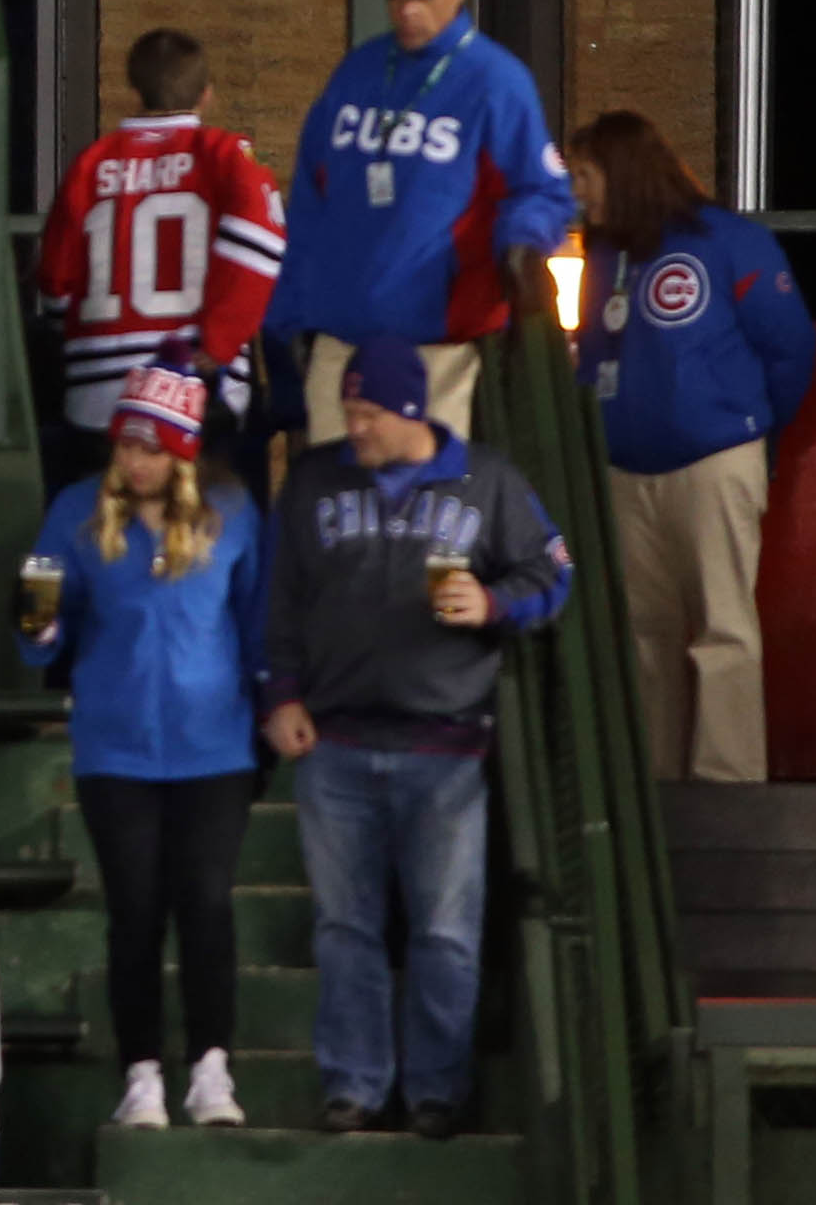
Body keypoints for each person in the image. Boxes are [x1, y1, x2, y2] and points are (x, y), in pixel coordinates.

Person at [263, 335, 570, 1137]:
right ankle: (354, 1087)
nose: (354, 426)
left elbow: (554, 573)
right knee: (344, 928)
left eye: (368, 414)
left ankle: (437, 1092)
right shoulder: (314, 479)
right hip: (335, 739)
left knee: (444, 930)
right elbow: (278, 600)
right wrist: (282, 695)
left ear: (410, 411)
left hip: (448, 742)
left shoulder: (488, 479)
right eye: (350, 410)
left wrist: (494, 604)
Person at [19, 367, 259, 1134]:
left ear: (184, 453)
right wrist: (38, 629)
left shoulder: (234, 512)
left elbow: (258, 621)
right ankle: (143, 1074)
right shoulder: (75, 512)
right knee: (135, 910)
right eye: (126, 444)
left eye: (151, 448)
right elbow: (39, 617)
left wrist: (273, 704)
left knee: (208, 906)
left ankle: (213, 1068)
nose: (135, 461)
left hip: (216, 748)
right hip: (115, 752)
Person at [566, 108, 815, 786]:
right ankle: (657, 788)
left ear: (623, 172)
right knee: (645, 638)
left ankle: (729, 788)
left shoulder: (730, 240)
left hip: (712, 463)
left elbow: (789, 349)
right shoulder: (607, 251)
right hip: (624, 470)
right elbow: (595, 349)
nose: (576, 191)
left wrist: (746, 429)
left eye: (585, 175)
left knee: (723, 630)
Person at [267, 0, 576, 445]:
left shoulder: (494, 81)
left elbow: (542, 190)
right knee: (336, 510)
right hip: (343, 340)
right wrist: (292, 314)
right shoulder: (359, 71)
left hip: (438, 344)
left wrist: (520, 244)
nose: (407, 9)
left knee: (428, 510)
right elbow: (309, 201)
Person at [32, 30, 285, 477]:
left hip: (99, 403)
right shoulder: (229, 156)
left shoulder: (89, 164)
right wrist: (220, 340)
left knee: (104, 538)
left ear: (134, 91)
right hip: (196, 399)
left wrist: (69, 337)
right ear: (207, 95)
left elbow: (55, 282)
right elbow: (261, 243)